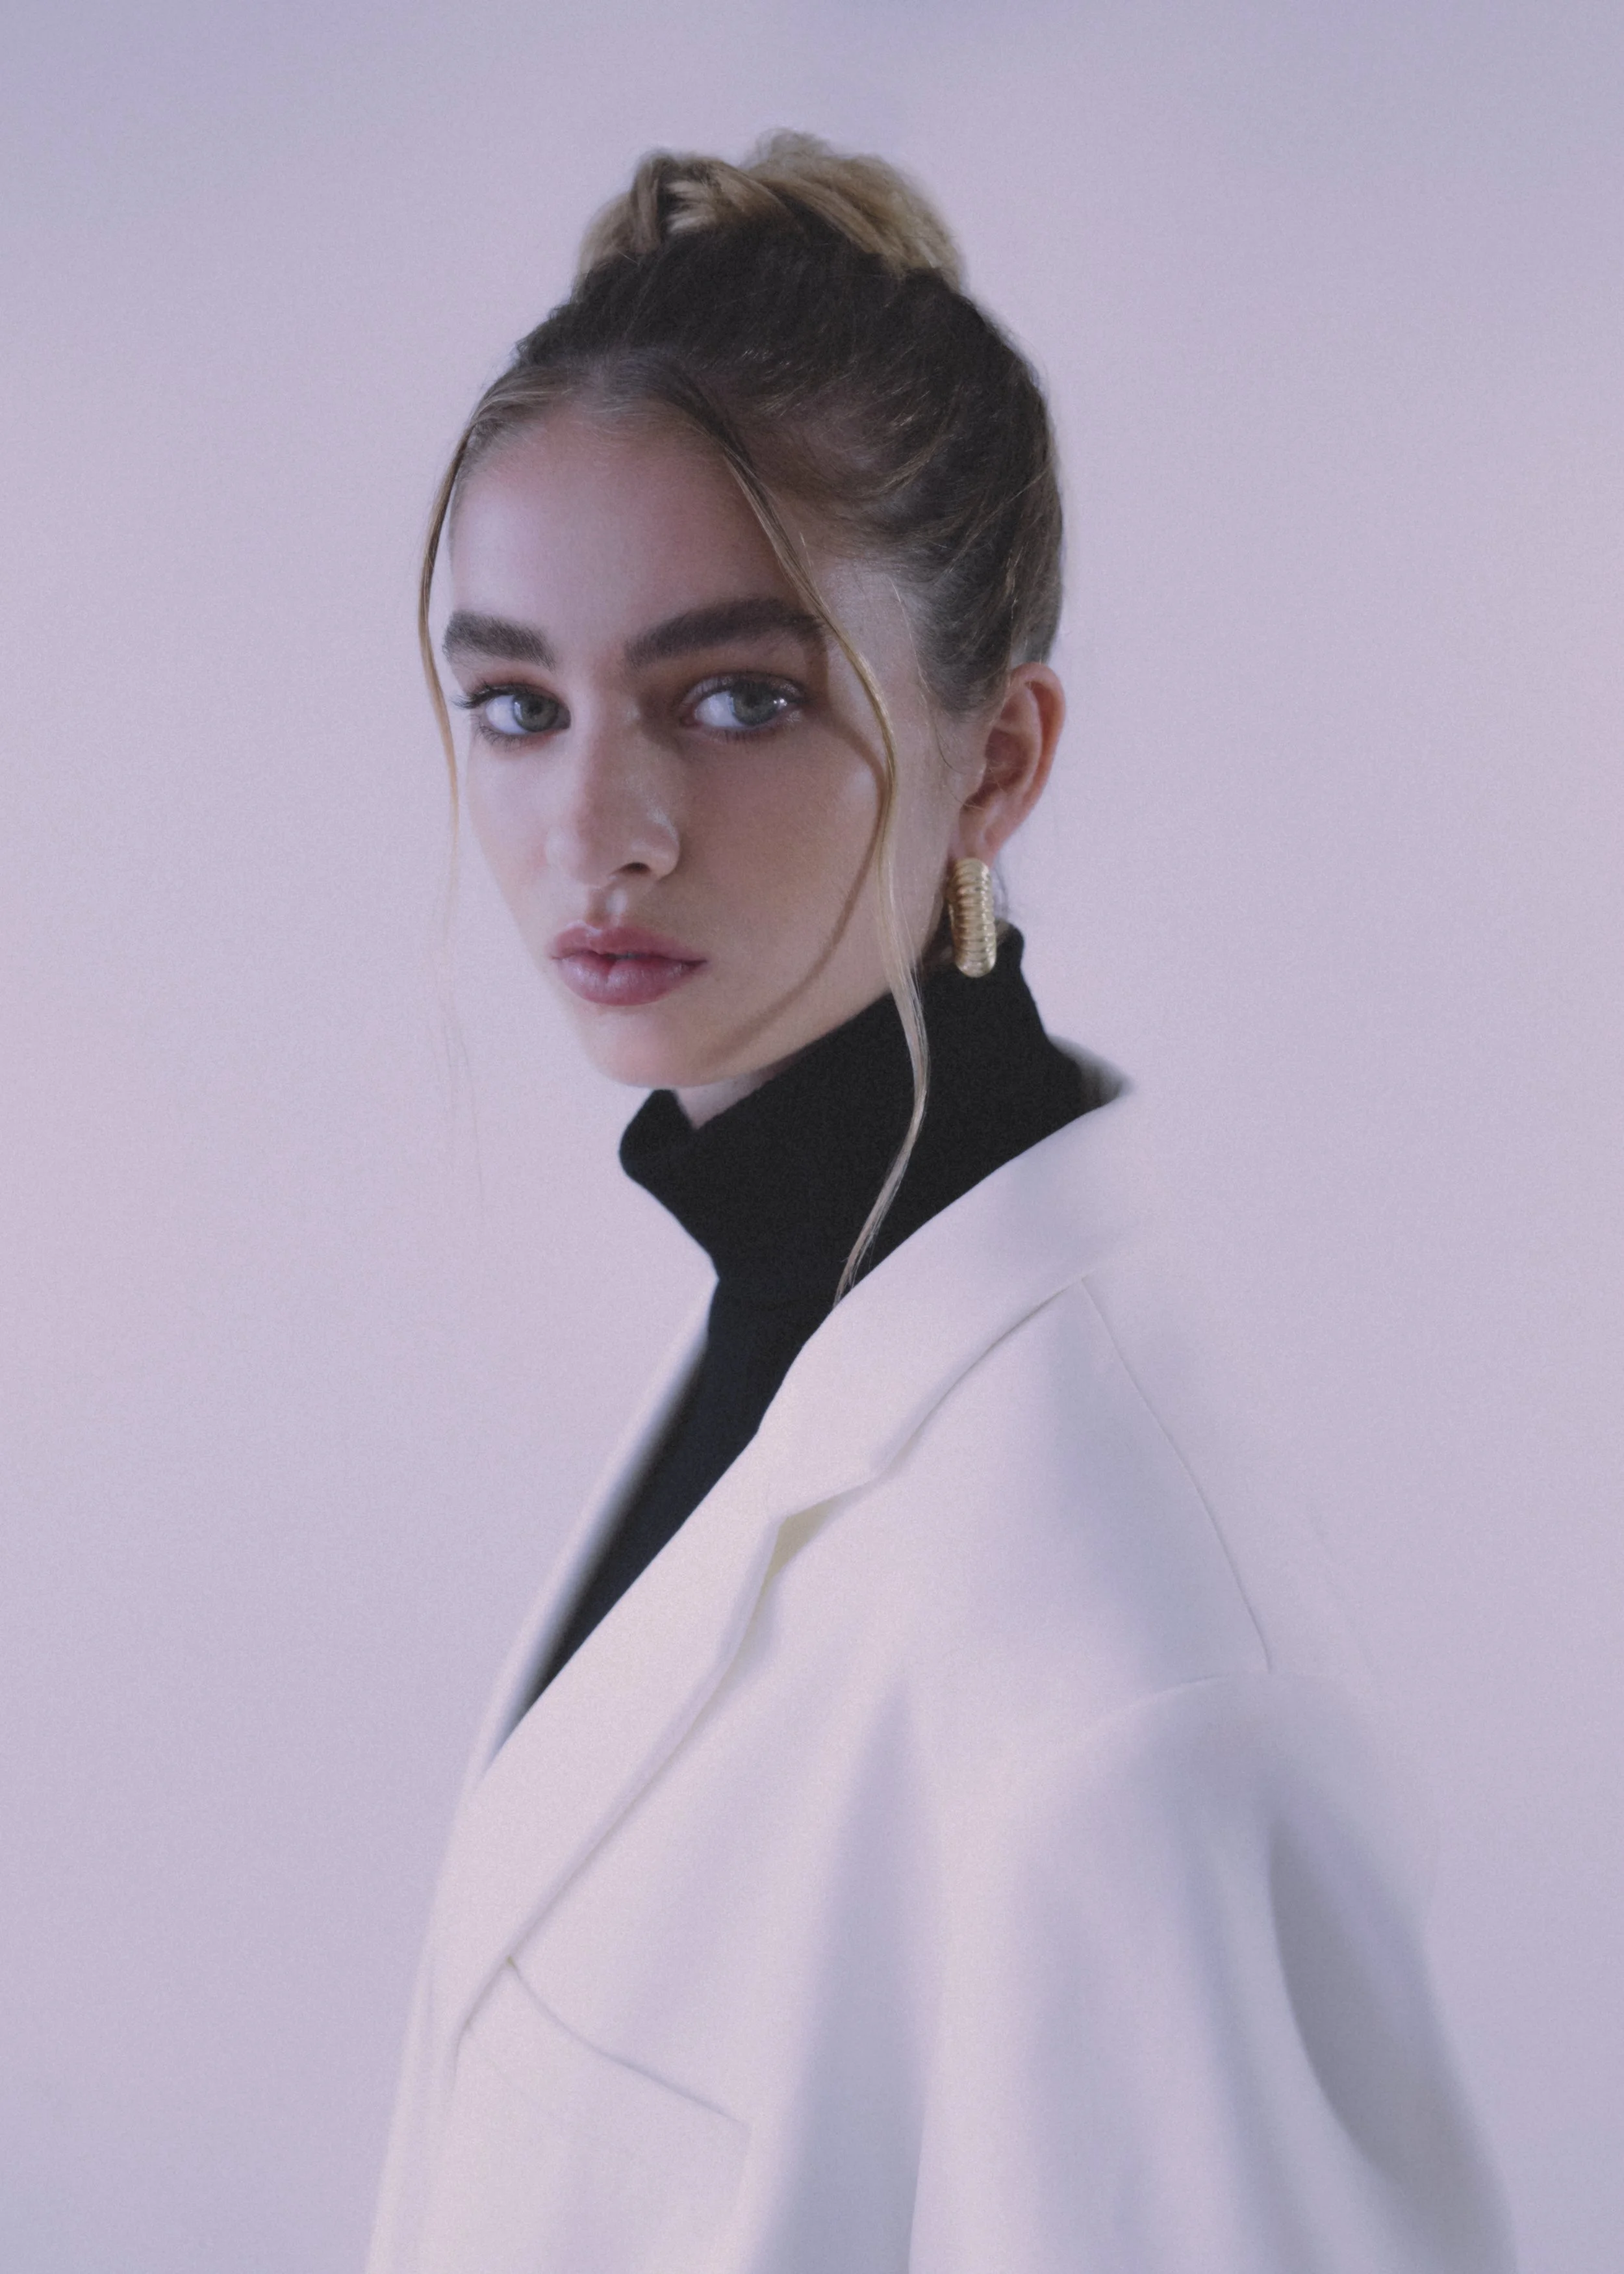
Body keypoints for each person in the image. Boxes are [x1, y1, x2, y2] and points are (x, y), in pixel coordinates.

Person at [367, 133, 1514, 2273]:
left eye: (736, 697)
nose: (594, 826)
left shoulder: (1118, 1678)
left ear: (995, 759)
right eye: (516, 703)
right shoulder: (790, 1340)